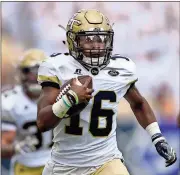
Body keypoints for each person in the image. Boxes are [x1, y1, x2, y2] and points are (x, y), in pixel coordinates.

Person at [37, 9, 177, 175]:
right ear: (73, 41)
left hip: (106, 161)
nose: (96, 45)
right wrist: (69, 99)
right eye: (88, 39)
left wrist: (157, 137)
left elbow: (138, 103)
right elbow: (42, 122)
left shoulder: (121, 68)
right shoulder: (57, 67)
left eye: (102, 39)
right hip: (64, 166)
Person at [1, 49, 53, 175]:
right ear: (22, 73)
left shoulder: (58, 95)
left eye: (40, 71)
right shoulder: (10, 102)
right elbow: (3, 145)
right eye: (29, 71)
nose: (35, 76)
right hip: (25, 165)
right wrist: (16, 148)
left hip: (55, 162)